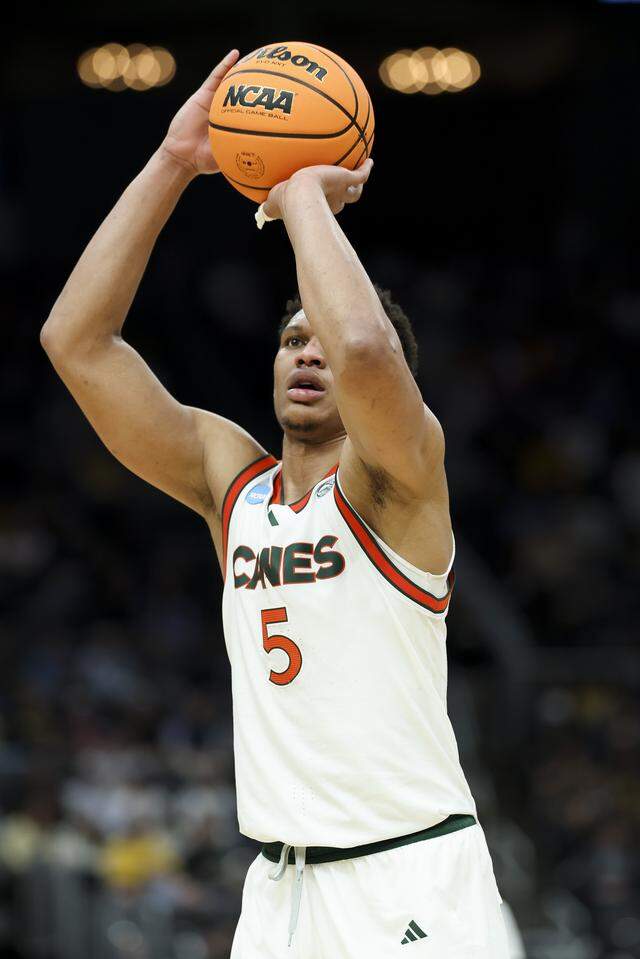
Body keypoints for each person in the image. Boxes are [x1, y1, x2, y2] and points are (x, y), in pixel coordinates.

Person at [41, 49, 509, 958]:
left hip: (407, 877)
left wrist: (300, 197)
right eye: (292, 337)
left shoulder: (400, 477)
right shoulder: (234, 482)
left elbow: (367, 346)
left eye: (320, 340)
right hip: (279, 891)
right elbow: (77, 341)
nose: (309, 352)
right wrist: (174, 161)